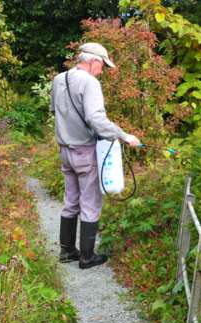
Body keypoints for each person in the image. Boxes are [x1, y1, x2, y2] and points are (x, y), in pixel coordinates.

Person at [50, 43, 140, 269]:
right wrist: (123, 135)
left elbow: (55, 112)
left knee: (70, 201)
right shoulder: (90, 82)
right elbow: (95, 118)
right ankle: (87, 258)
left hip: (64, 151)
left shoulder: (58, 79)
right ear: (94, 62)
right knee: (90, 204)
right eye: (103, 67)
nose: (103, 72)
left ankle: (67, 251)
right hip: (85, 151)